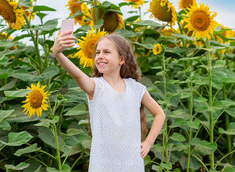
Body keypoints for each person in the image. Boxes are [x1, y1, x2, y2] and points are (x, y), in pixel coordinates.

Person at [52, 30, 166, 172]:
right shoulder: (96, 87)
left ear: (121, 59)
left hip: (132, 164)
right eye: (97, 53)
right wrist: (58, 53)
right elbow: (78, 76)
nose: (100, 56)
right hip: (103, 165)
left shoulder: (136, 89)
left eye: (106, 52)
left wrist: (148, 142)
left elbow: (160, 114)